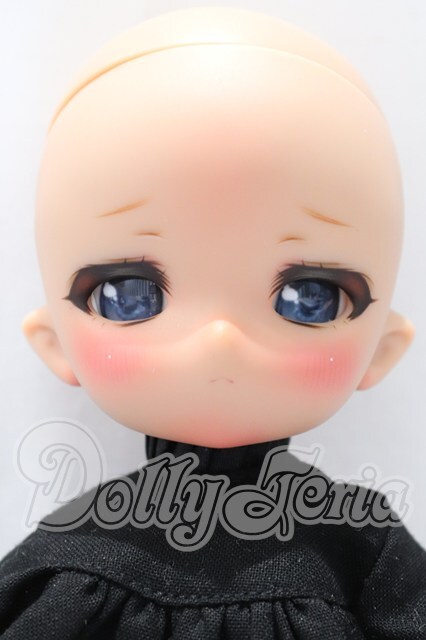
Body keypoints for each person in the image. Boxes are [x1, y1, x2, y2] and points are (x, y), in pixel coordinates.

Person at [0, 7, 425, 638]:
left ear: (382, 348)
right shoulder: (73, 552)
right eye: (129, 295)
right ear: (52, 342)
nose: (221, 340)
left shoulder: (358, 546)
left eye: (310, 297)